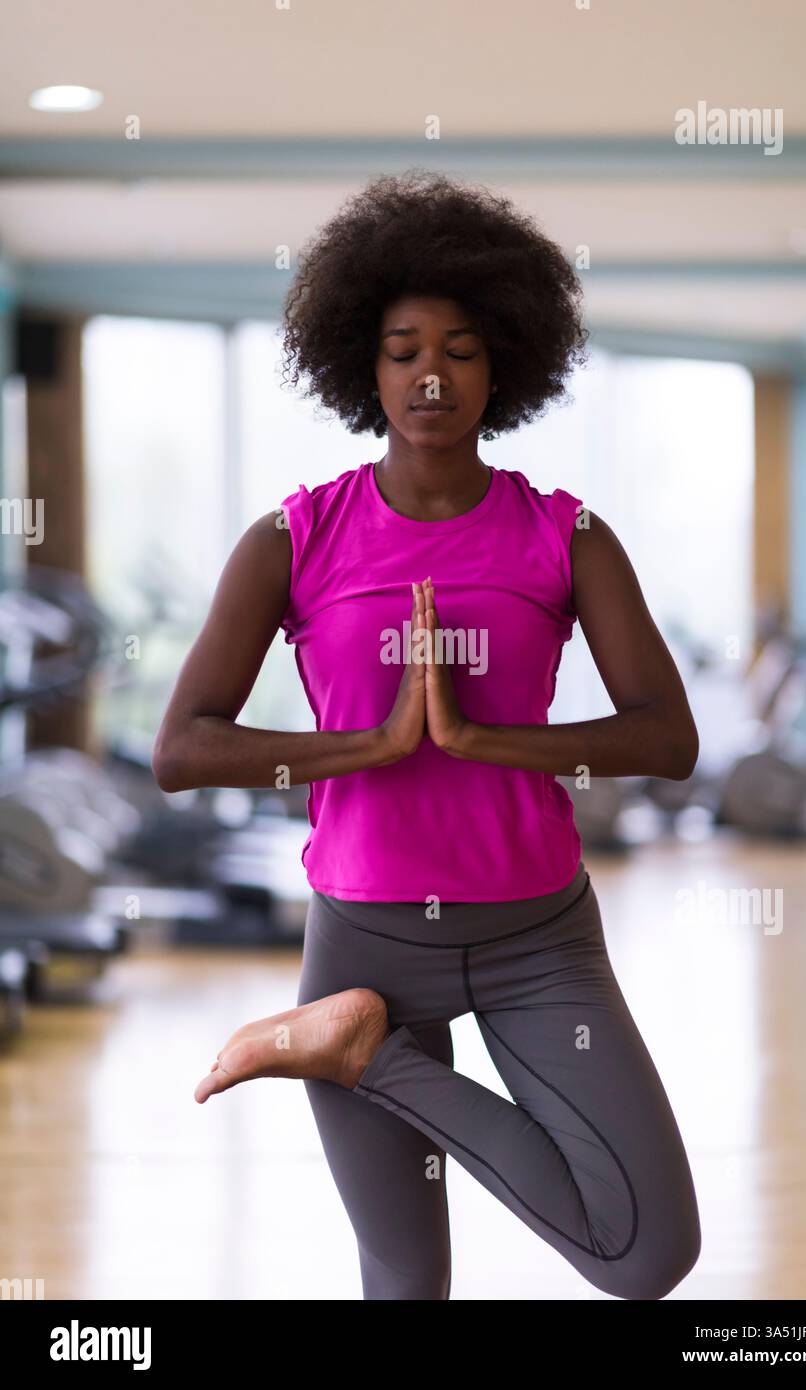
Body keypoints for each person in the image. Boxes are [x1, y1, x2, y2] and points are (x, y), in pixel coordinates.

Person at [152, 169, 702, 1301]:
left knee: (647, 1255)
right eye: (403, 348)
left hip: (537, 939)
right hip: (363, 939)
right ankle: (355, 1033)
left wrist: (492, 741)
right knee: (406, 1281)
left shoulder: (570, 536)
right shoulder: (292, 539)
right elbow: (182, 749)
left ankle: (355, 1050)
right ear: (366, 363)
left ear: (504, 364)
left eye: (459, 347)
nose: (430, 374)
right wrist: (372, 744)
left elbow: (668, 737)